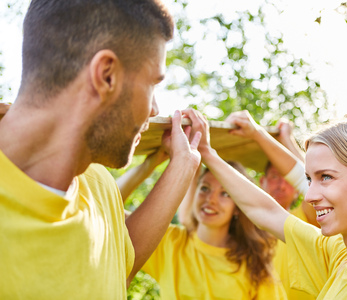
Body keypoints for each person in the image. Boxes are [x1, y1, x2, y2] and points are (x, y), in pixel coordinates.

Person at [0, 1, 202, 299]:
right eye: (152, 84)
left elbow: (114, 269)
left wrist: (182, 167)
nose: (155, 109)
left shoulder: (97, 183)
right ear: (106, 75)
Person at [186, 109, 347, 300]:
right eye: (310, 179)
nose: (309, 195)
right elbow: (265, 211)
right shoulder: (338, 254)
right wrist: (207, 153)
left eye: (326, 177)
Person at [117, 154, 287, 299]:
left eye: (225, 193)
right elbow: (106, 208)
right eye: (205, 188)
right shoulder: (169, 241)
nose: (211, 199)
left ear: (237, 208)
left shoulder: (254, 265)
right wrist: (148, 165)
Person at [226, 110, 318, 299]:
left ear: (296, 189)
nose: (281, 184)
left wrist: (287, 141)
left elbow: (310, 181)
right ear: (262, 182)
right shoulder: (244, 225)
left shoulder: (306, 219)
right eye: (275, 177)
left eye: (287, 178)